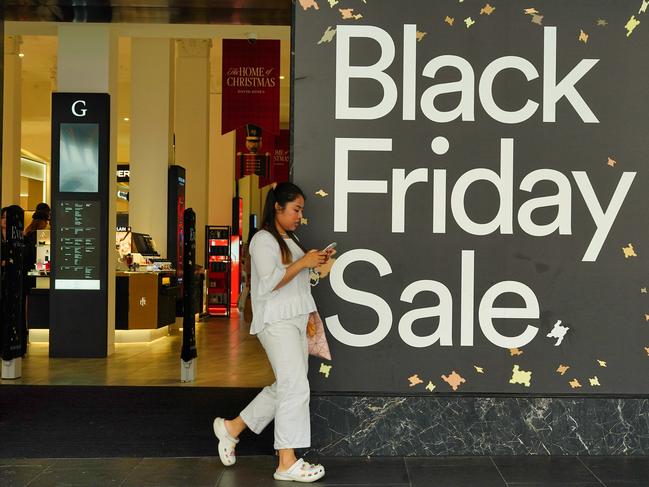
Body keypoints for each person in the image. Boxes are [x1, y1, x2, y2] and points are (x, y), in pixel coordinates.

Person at [213, 182, 332, 482]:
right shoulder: (263, 240)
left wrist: (314, 265)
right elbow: (268, 283)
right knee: (295, 387)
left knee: (287, 385)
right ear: (278, 207)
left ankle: (232, 429)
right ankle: (286, 462)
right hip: (276, 323)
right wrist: (304, 261)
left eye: (301, 210)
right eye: (295, 209)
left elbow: (293, 280)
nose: (299, 216)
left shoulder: (288, 239)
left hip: (293, 320)